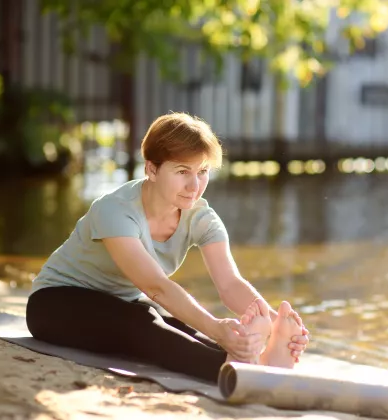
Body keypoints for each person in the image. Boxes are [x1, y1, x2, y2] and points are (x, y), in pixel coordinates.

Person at [26, 112, 310, 384]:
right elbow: (156, 287)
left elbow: (230, 284)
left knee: (173, 324)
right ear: (152, 168)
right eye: (182, 171)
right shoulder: (115, 210)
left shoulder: (201, 217)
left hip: (121, 302)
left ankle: (253, 356)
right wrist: (216, 327)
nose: (194, 185)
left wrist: (275, 327)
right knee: (143, 323)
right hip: (54, 304)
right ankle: (231, 368)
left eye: (202, 171)